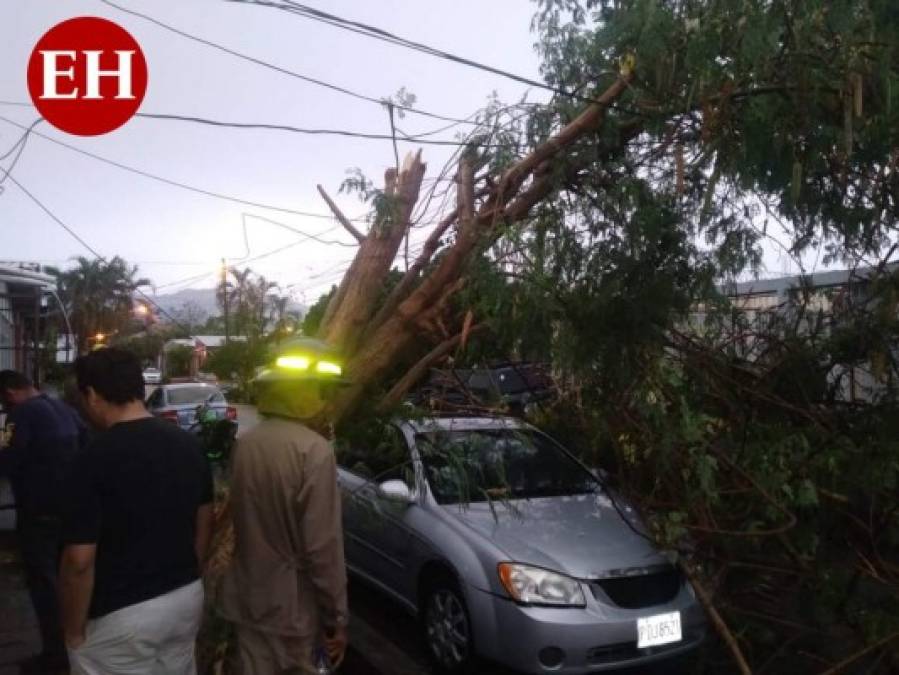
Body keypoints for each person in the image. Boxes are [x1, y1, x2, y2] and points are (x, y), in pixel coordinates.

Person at [59, 348, 214, 675]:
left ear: (92, 395)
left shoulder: (92, 459)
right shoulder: (187, 444)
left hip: (122, 615)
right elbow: (204, 522)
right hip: (185, 598)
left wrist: (72, 630)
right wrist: (189, 574)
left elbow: (79, 561)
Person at [220, 338, 349, 674]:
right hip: (292, 613)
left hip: (247, 601)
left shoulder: (246, 445)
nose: (328, 400)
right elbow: (323, 548)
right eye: (324, 391)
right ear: (306, 394)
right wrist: (336, 617)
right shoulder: (314, 451)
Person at [0, 370, 86, 674]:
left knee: (43, 584)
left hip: (37, 513)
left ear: (10, 393)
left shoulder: (19, 415)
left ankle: (54, 656)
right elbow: (85, 444)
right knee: (67, 580)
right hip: (69, 511)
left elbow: (7, 459)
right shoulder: (62, 407)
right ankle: (73, 645)